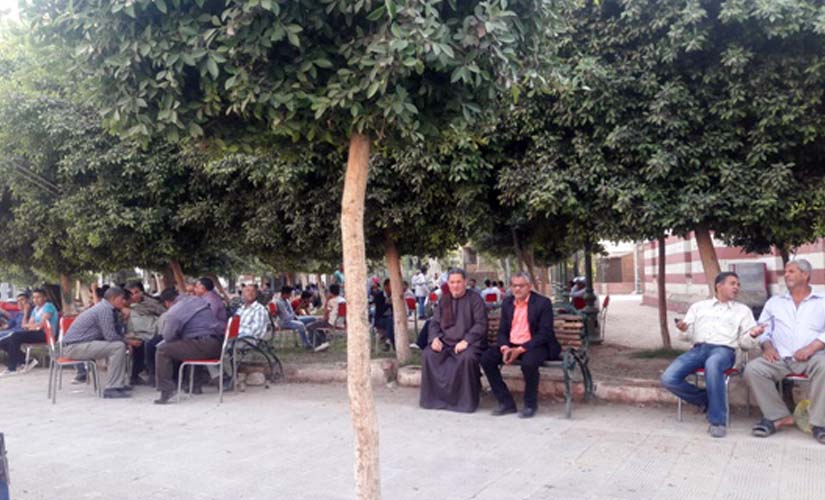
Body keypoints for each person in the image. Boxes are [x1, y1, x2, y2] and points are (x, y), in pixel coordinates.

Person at [660, 272, 756, 437]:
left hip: (724, 351)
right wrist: (683, 329)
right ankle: (708, 400)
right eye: (732, 283)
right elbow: (686, 337)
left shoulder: (743, 311)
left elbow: (746, 344)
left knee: (713, 363)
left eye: (738, 285)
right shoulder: (698, 307)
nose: (736, 287)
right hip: (699, 349)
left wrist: (753, 335)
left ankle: (717, 421)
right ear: (719, 286)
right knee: (668, 378)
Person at [744, 259, 825, 444]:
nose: (786, 275)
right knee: (752, 369)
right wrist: (767, 346)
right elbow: (763, 329)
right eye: (786, 272)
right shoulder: (775, 302)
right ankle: (778, 416)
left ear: (805, 275)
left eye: (791, 271)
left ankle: (819, 423)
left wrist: (812, 347)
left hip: (814, 356)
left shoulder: (822, 301)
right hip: (780, 357)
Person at [481, 273, 559, 418]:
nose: (517, 289)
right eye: (514, 286)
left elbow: (544, 333)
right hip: (511, 344)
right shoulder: (507, 303)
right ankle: (506, 403)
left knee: (529, 363)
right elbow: (502, 331)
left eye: (521, 286)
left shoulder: (542, 303)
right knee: (486, 359)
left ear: (529, 287)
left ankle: (530, 405)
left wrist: (520, 349)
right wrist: (505, 348)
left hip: (536, 345)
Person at [420, 268, 487, 413]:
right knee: (428, 354)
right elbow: (434, 323)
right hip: (446, 342)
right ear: (448, 284)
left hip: (469, 343)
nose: (455, 286)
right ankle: (436, 400)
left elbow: (481, 324)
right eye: (452, 282)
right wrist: (435, 338)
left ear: (465, 282)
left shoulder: (475, 299)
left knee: (466, 358)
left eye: (458, 282)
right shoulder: (444, 300)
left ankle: (464, 403)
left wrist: (466, 341)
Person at [154, 288, 225, 404]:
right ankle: (195, 385)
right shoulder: (196, 299)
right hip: (217, 344)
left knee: (162, 350)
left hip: (203, 346)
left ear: (166, 303)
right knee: (189, 342)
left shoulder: (174, 311)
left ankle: (166, 390)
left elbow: (168, 336)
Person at [61, 287, 131, 398]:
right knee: (118, 347)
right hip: (74, 347)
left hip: (77, 345)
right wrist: (128, 341)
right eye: (121, 299)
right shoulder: (105, 310)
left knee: (118, 345)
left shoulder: (104, 308)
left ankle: (118, 384)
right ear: (114, 298)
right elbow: (110, 336)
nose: (123, 302)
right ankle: (112, 388)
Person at [0, 289, 58, 376]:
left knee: (15, 336)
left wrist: (32, 326)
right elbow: (24, 325)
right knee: (4, 341)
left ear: (45, 298)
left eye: (38, 297)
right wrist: (26, 315)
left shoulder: (48, 306)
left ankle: (12, 368)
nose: (35, 300)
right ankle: (27, 361)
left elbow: (42, 324)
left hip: (46, 334)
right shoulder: (35, 309)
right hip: (36, 333)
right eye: (34, 297)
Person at [123, 281, 167, 386]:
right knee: (139, 344)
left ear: (141, 292)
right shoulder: (123, 306)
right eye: (131, 293)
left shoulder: (151, 303)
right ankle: (136, 375)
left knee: (154, 343)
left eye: (137, 292)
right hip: (133, 334)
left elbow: (163, 312)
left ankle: (154, 374)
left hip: (154, 331)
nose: (134, 296)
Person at [306, 284, 345, 350]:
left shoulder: (331, 301)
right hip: (340, 323)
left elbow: (326, 313)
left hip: (331, 323)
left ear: (330, 292)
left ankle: (317, 345)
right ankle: (323, 342)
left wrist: (327, 300)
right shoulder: (343, 300)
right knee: (318, 324)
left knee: (309, 326)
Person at [373, 279, 394, 350]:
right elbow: (379, 311)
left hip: (392, 319)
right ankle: (388, 341)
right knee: (390, 320)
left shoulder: (394, 295)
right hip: (380, 319)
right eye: (391, 285)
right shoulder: (379, 296)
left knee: (391, 320)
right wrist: (388, 304)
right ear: (385, 286)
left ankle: (390, 341)